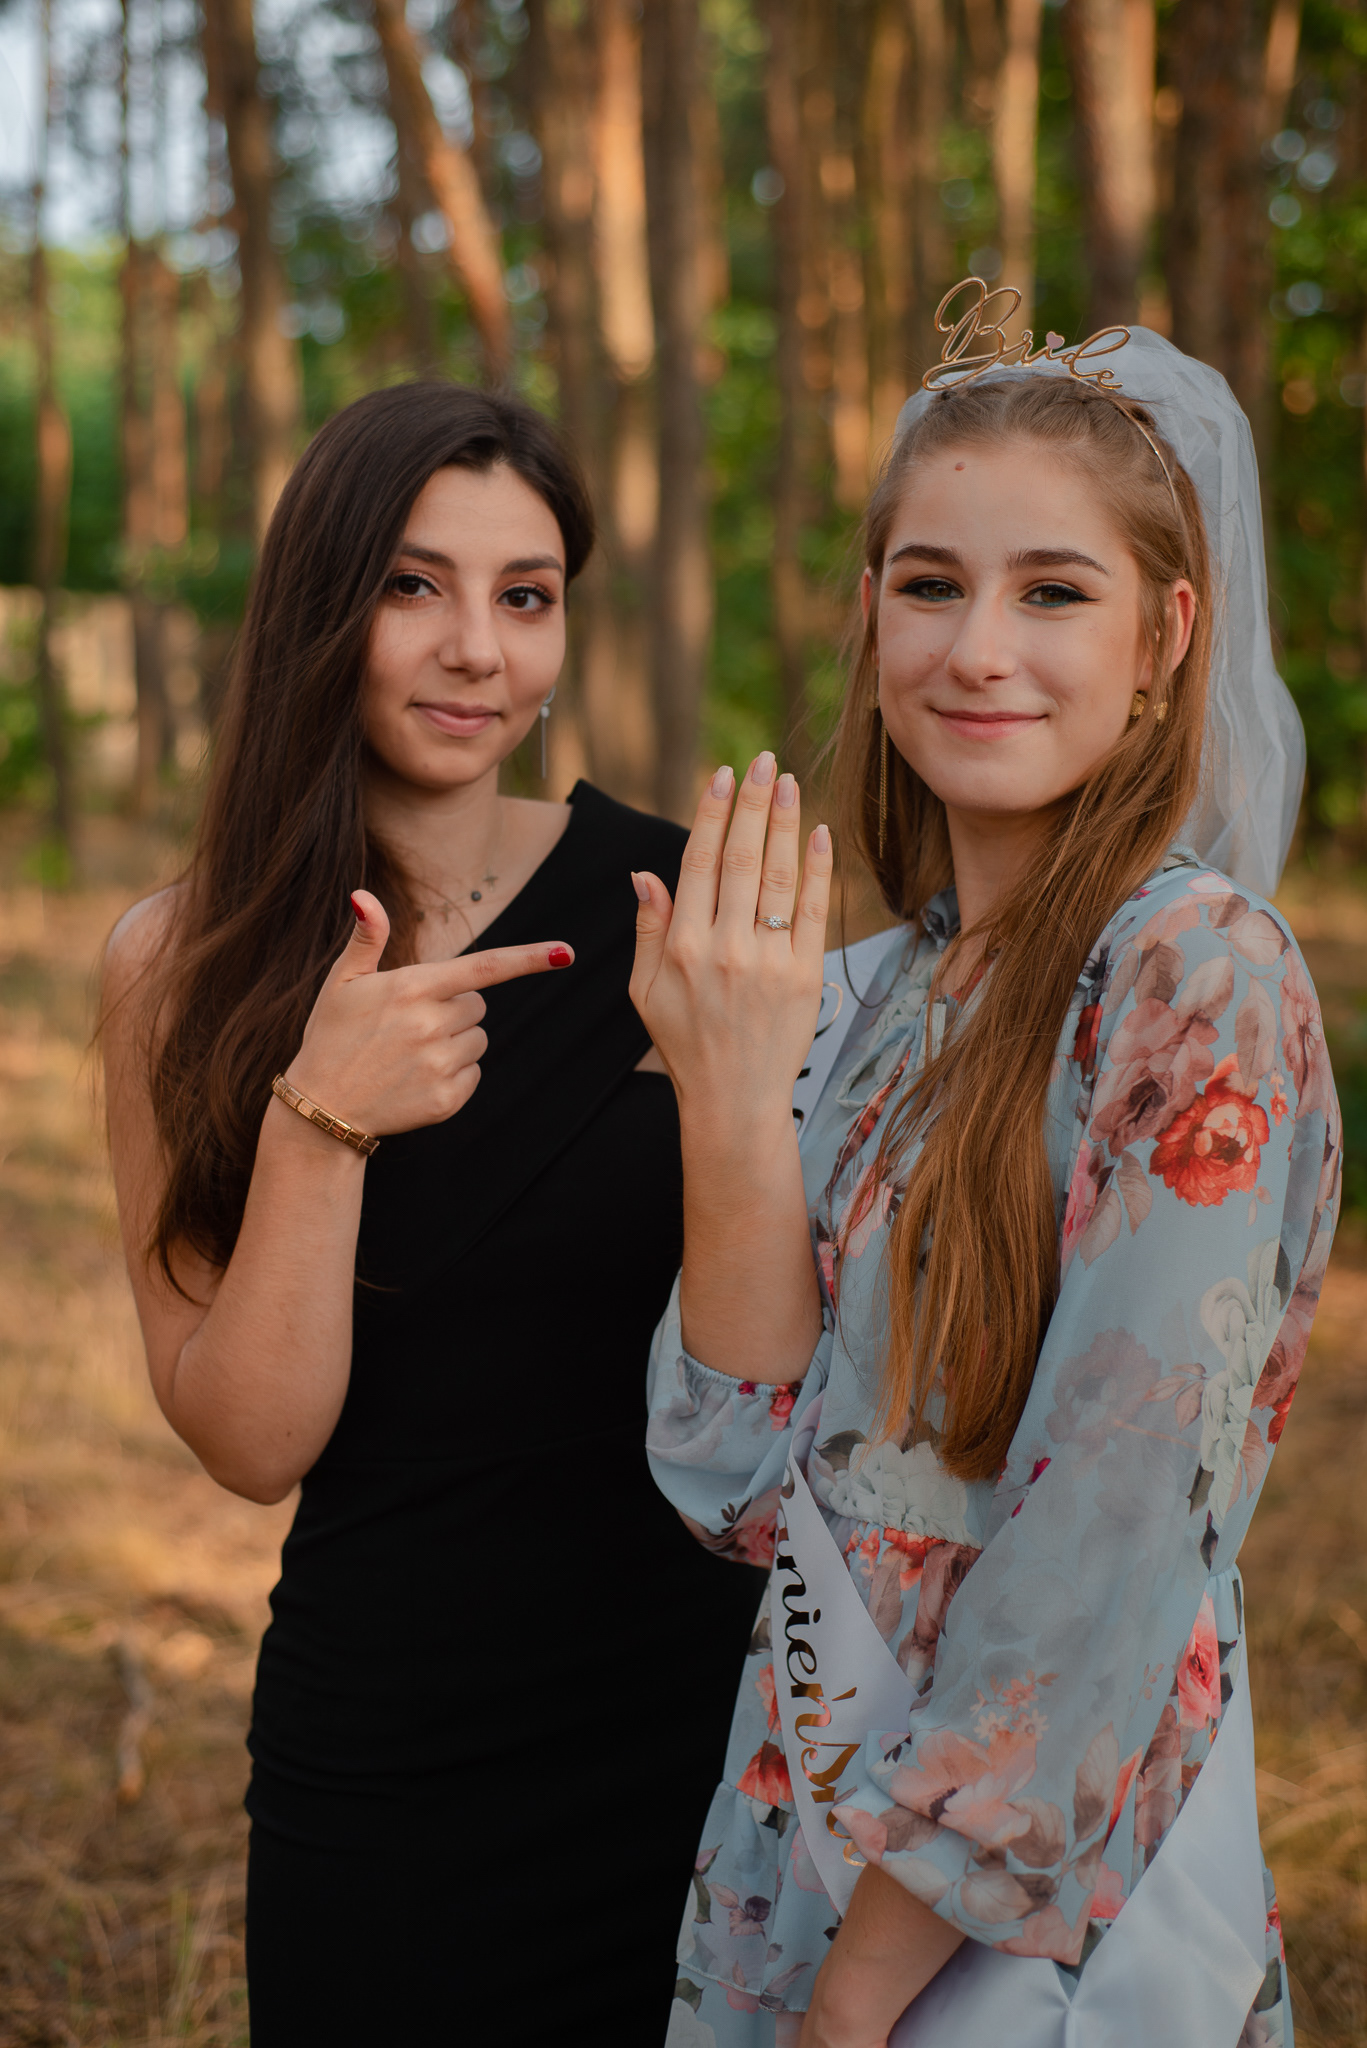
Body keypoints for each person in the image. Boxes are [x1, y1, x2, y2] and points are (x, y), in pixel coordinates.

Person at [635, 312, 1337, 2046]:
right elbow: (739, 1481)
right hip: (800, 1834)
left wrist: (861, 1996)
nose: (978, 649)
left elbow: (1109, 1544)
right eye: (931, 584)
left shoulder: (1196, 977)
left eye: (1054, 592)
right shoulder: (878, 997)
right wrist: (729, 1093)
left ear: (1167, 638)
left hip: (1013, 1910)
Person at [100, 382, 762, 2044]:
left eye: (525, 597)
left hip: (699, 1738)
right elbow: (252, 1443)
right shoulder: (178, 968)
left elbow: (789, 1381)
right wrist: (319, 1123)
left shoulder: (679, 911)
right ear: (321, 603)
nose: (478, 650)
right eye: (415, 586)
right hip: (388, 1763)